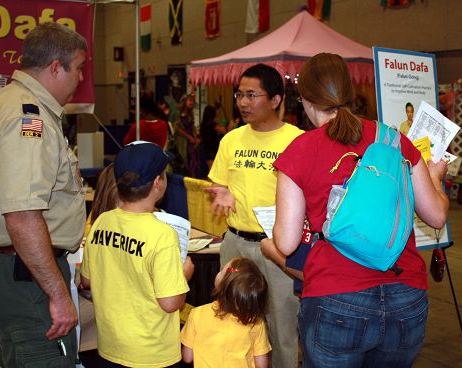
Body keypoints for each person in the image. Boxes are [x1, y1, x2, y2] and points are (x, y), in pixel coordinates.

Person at [272, 53, 449, 368]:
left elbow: (285, 243)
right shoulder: (395, 140)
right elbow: (436, 215)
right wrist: (435, 179)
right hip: (405, 295)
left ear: (306, 101)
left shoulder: (299, 151)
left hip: (335, 298)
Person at [0, 22, 87, 367]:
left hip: (16, 265)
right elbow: (22, 215)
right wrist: (57, 293)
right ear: (55, 67)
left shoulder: (6, 102)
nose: (81, 78)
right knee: (44, 357)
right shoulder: (27, 118)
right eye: (78, 68)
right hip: (27, 272)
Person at [206, 63, 303, 368]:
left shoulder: (297, 140)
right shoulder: (232, 140)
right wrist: (220, 192)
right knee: (234, 320)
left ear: (275, 100)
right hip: (236, 244)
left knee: (281, 326)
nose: (243, 103)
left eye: (251, 95)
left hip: (278, 248)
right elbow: (218, 182)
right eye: (239, 95)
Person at [80, 141, 195, 368]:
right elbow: (171, 302)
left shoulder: (102, 221)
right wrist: (184, 275)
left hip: (110, 347)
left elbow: (87, 280)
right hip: (151, 354)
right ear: (157, 183)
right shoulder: (162, 234)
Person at [181, 257, 271, 367]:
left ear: (223, 285)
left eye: (222, 270)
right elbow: (261, 365)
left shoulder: (197, 313)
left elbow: (187, 357)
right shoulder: (256, 323)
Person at [174, 93, 200, 176]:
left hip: (190, 140)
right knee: (184, 160)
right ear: (185, 101)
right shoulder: (178, 113)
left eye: (193, 101)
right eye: (190, 101)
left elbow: (192, 126)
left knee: (192, 160)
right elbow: (177, 128)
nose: (191, 103)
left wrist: (195, 137)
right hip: (182, 140)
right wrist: (189, 137)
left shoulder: (190, 113)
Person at [199, 105, 225, 177]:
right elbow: (223, 131)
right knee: (212, 172)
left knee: (209, 171)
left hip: (206, 148)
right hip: (212, 150)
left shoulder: (203, 124)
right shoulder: (213, 124)